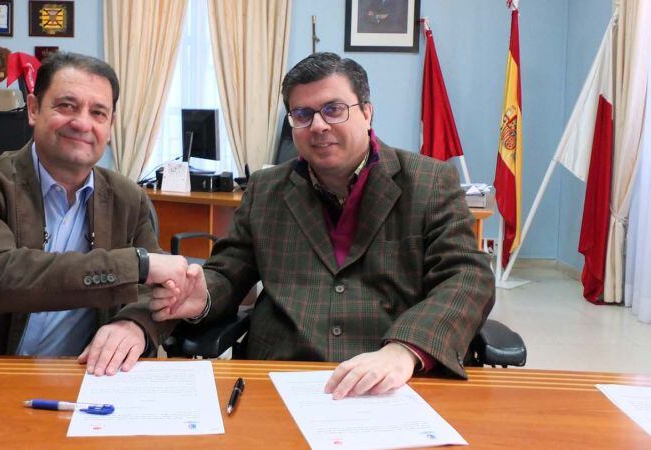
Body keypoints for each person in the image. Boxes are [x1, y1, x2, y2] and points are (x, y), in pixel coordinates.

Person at [149, 52, 495, 398]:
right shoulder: (266, 189)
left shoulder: (429, 180)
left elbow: (467, 276)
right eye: (303, 114)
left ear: (367, 113)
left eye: (334, 109)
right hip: (282, 374)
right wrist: (203, 294)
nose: (318, 125)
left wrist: (405, 349)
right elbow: (228, 272)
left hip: (392, 379)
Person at [0, 52, 190, 377]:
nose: (82, 123)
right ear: (33, 109)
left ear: (110, 126)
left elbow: (158, 295)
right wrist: (137, 265)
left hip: (80, 378)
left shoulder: (128, 198)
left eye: (98, 112)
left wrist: (134, 325)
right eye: (67, 106)